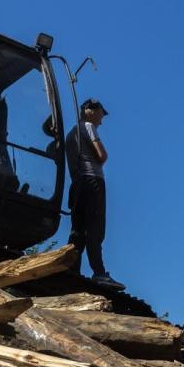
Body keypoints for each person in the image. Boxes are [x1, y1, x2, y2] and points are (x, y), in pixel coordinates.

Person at [65, 98, 125, 290]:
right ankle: (99, 273)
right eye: (101, 113)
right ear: (90, 110)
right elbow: (102, 156)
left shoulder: (71, 133)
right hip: (93, 182)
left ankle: (69, 268)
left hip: (78, 184)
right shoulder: (88, 126)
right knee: (95, 227)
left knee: (78, 230)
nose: (102, 119)